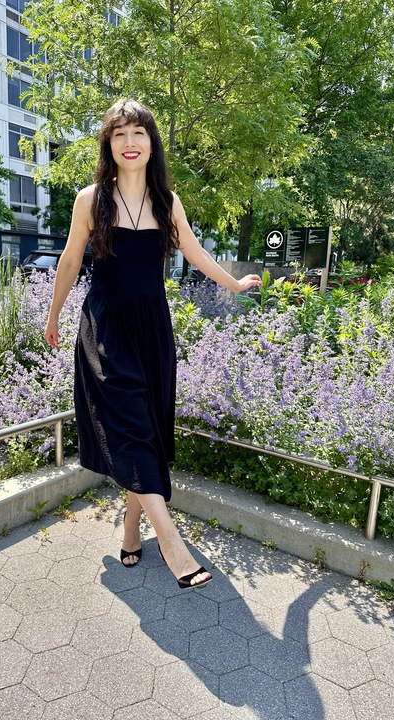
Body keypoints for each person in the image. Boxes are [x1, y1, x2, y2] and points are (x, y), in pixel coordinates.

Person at [44, 100, 261, 589]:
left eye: (138, 132)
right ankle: (172, 545)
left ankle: (130, 528)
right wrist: (54, 315)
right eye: (119, 134)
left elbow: (194, 251)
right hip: (105, 324)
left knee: (149, 429)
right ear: (109, 144)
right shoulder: (91, 200)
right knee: (130, 424)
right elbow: (69, 261)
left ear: (151, 141)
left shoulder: (167, 201)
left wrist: (233, 284)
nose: (129, 142)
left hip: (153, 328)